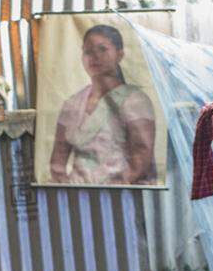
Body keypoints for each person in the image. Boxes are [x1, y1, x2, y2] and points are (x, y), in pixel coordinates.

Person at [48, 24, 158, 186]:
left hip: (122, 192)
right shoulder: (72, 104)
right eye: (88, 51)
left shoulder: (135, 100)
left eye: (102, 49)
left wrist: (117, 186)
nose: (95, 57)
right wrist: (66, 188)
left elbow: (142, 154)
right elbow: (58, 157)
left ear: (119, 54)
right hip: (78, 191)